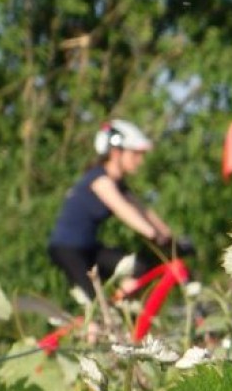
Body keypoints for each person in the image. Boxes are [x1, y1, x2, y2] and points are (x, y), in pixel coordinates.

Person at [48, 119, 174, 302]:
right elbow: (123, 209)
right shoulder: (100, 180)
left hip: (88, 247)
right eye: (135, 154)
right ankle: (102, 317)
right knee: (97, 305)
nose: (140, 160)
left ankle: (122, 309)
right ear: (116, 153)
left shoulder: (119, 184)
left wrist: (170, 237)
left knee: (138, 267)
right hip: (68, 250)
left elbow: (144, 212)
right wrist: (152, 234)